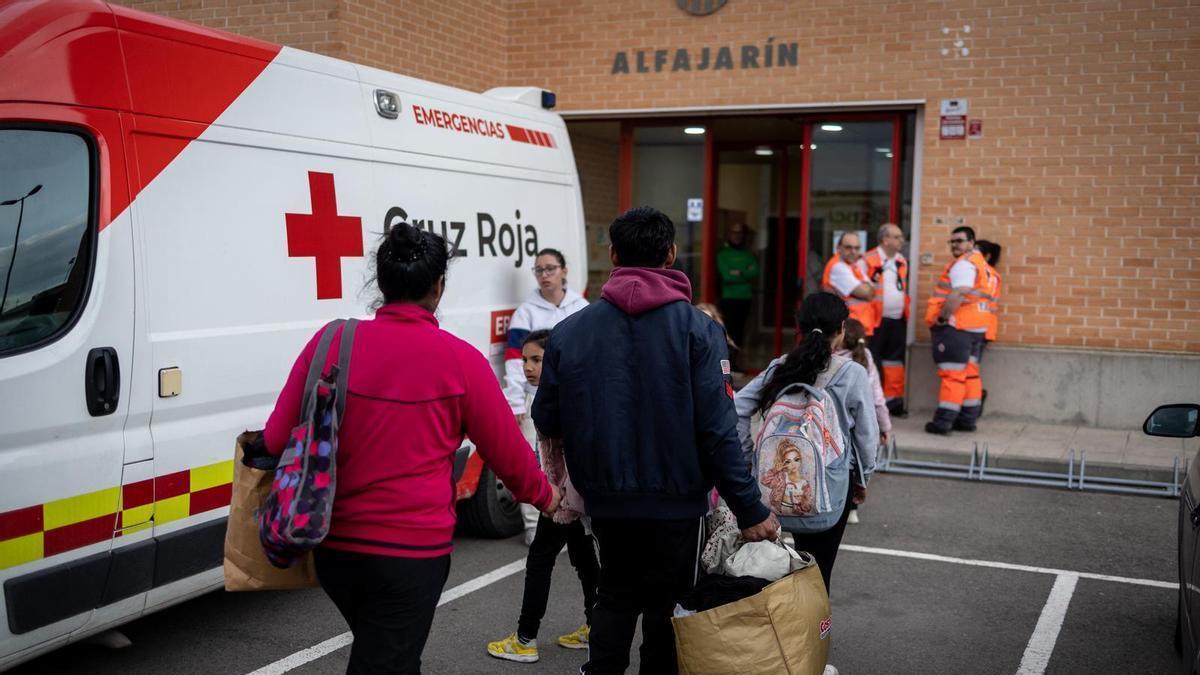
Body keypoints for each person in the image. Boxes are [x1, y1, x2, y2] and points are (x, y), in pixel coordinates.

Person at [263, 224, 560, 675]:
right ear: (439, 286)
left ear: (380, 283)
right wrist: (548, 497)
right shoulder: (461, 361)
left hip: (332, 546)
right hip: (412, 555)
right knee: (386, 657)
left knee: (389, 652)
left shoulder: (330, 343)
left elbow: (274, 438)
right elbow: (509, 456)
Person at [532, 206, 780, 675]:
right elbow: (718, 431)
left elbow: (546, 415)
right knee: (667, 611)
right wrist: (750, 508)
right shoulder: (699, 330)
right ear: (670, 254)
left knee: (613, 598)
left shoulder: (570, 333)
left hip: (605, 500)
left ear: (613, 255)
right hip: (678, 504)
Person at [734, 292, 879, 592]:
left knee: (780, 564)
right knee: (819, 572)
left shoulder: (780, 367)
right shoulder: (853, 374)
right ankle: (811, 633)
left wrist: (748, 456)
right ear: (841, 329)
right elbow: (867, 437)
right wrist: (863, 478)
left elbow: (736, 407)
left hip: (776, 488)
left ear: (798, 327)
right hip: (832, 487)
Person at [487, 330, 600, 664]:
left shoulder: (556, 399)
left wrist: (558, 499)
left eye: (536, 359)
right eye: (523, 360)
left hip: (565, 499)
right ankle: (596, 627)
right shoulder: (565, 393)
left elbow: (562, 457)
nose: (527, 367)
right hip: (576, 497)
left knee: (540, 560)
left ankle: (525, 639)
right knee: (584, 561)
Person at [503, 248, 588, 544]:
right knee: (533, 462)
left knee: (570, 460)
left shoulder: (582, 307)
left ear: (564, 271)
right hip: (533, 398)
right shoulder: (526, 312)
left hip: (572, 399)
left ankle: (573, 517)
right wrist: (515, 402)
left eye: (550, 268)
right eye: (538, 270)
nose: (544, 275)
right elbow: (515, 360)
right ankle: (533, 525)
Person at [923, 226, 994, 435]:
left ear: (971, 242)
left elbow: (960, 291)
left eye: (960, 241)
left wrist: (943, 317)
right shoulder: (982, 264)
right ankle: (967, 420)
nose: (955, 245)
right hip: (976, 328)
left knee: (952, 376)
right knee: (970, 375)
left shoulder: (964, 264)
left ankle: (943, 423)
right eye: (952, 241)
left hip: (957, 327)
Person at [836, 318, 892, 525]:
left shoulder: (828, 356)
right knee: (855, 463)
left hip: (832, 424)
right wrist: (884, 426)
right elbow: (877, 397)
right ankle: (852, 508)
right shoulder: (865, 357)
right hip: (858, 423)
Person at [863, 223, 910, 417]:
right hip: (875, 320)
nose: (902, 240)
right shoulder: (867, 260)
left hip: (897, 319)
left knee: (895, 362)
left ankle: (893, 402)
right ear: (885, 240)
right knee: (871, 361)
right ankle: (869, 404)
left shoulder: (901, 260)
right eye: (897, 237)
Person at [716, 222, 759, 361]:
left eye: (740, 232)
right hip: (729, 297)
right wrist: (744, 273)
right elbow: (726, 276)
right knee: (728, 332)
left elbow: (755, 272)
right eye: (734, 232)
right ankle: (728, 363)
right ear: (729, 234)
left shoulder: (748, 254)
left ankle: (736, 362)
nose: (737, 236)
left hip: (745, 298)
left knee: (740, 332)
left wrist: (738, 273)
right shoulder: (723, 254)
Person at [822, 232, 877, 336]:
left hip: (857, 326)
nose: (853, 251)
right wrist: (867, 288)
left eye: (857, 248)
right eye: (848, 247)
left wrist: (868, 290)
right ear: (838, 248)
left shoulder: (853, 265)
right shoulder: (838, 266)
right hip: (845, 328)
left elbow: (871, 293)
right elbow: (866, 292)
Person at [975, 240, 1003, 416]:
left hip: (980, 327)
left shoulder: (988, 275)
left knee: (970, 368)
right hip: (981, 326)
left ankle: (975, 401)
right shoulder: (987, 273)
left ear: (986, 256)